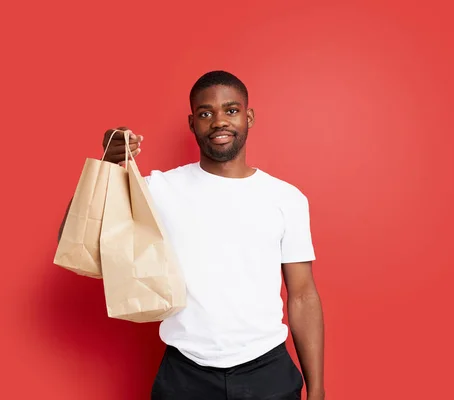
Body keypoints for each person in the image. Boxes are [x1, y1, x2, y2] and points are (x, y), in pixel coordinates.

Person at [60, 71, 325, 399]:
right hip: (184, 374)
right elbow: (77, 236)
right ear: (192, 123)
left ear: (249, 116)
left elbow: (302, 296)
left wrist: (317, 389)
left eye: (230, 110)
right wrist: (109, 164)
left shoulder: (287, 199)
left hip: (267, 373)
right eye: (205, 113)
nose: (218, 121)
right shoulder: (159, 189)